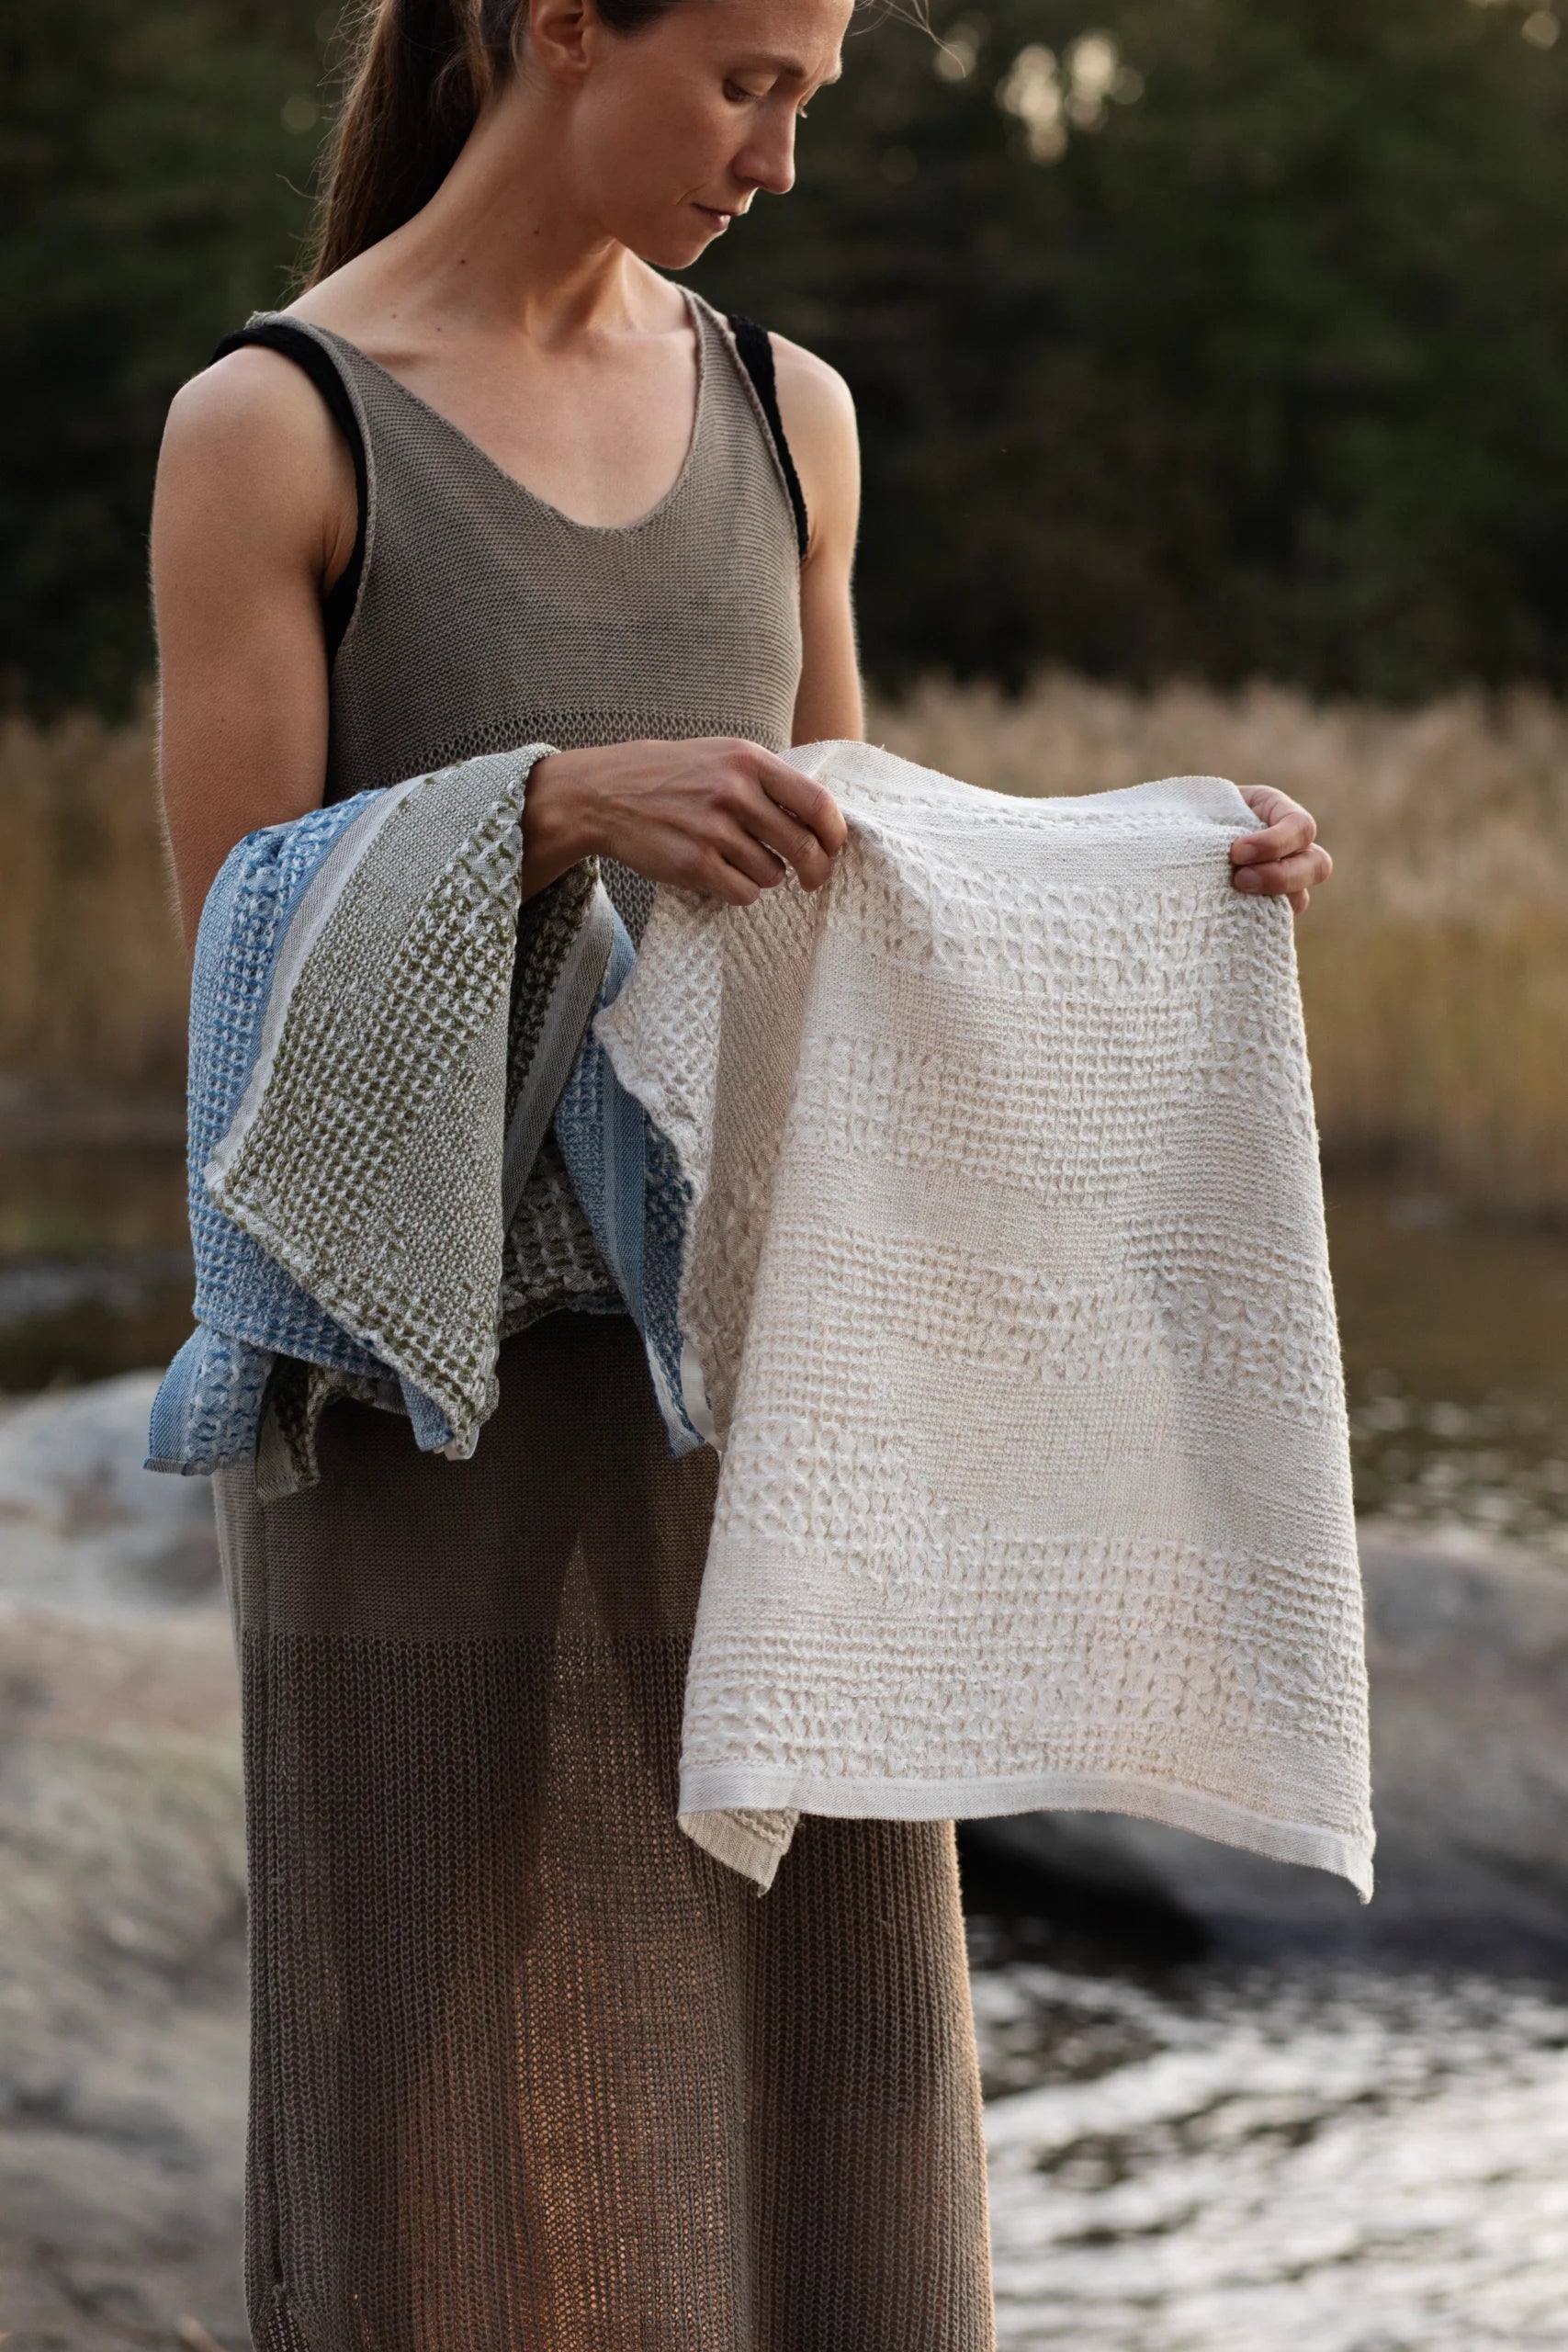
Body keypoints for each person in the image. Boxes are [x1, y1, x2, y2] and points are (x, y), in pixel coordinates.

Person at [151, 0, 1334, 2342]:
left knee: (828, 2087)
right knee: (433, 2113)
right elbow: (229, 973)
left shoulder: (791, 417)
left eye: (810, 97)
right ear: (563, 32)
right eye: (746, 86)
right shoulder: (276, 426)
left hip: (778, 1403)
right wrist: (545, 804)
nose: (776, 162)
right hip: (420, 1419)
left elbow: (852, 885)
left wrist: (1154, 871)